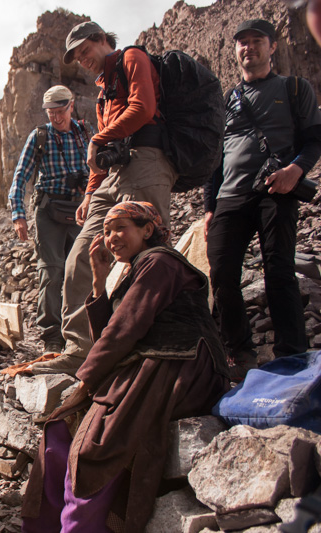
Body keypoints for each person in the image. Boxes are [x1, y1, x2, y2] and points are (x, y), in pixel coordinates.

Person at [21, 201, 230, 532]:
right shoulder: (139, 267)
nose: (111, 238)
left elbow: (124, 329)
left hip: (178, 365)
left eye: (121, 228)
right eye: (106, 231)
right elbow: (113, 332)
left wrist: (86, 380)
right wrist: (99, 281)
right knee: (61, 427)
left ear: (147, 230)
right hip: (150, 364)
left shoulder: (160, 262)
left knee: (97, 444)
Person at [33, 21, 179, 376]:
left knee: (147, 255)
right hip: (112, 175)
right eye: (77, 56)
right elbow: (100, 155)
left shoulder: (131, 59)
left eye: (85, 50)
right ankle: (79, 349)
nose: (83, 59)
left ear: (102, 40)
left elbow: (143, 107)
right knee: (81, 256)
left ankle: (158, 346)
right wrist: (89, 194)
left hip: (146, 162)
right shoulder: (103, 92)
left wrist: (99, 139)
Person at [203, 19, 321, 375]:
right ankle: (239, 353)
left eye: (257, 41)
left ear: (272, 47)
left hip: (275, 189)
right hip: (230, 196)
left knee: (279, 269)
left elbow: (314, 139)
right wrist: (209, 207)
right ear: (235, 50)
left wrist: (295, 171)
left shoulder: (294, 88)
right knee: (221, 273)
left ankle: (291, 355)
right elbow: (217, 157)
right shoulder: (227, 100)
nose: (249, 47)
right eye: (242, 42)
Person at [8, 85, 90, 355]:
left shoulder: (85, 133)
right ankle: (52, 336)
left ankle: (78, 331)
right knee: (51, 271)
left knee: (80, 271)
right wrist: (19, 215)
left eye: (60, 111)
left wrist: (88, 184)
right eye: (50, 112)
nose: (55, 117)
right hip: (48, 211)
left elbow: (98, 169)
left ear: (71, 106)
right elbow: (21, 176)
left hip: (80, 209)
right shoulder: (39, 137)